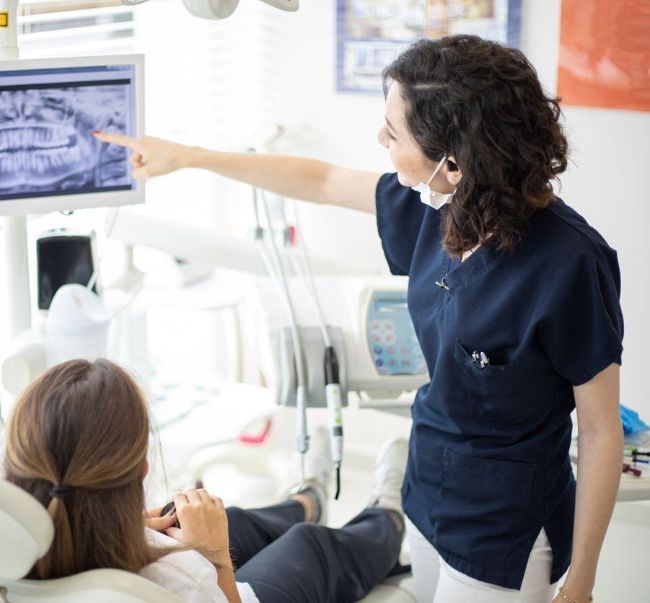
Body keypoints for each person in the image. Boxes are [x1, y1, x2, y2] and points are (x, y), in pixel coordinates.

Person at [95, 34, 625, 603]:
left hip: (507, 523)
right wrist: (191, 156)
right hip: (428, 487)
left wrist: (583, 580)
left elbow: (599, 430)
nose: (380, 139)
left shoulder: (570, 263)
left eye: (393, 133)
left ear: (454, 161)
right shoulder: (439, 210)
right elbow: (319, 180)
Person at [3, 358, 409, 603]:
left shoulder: (14, 544)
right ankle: (386, 518)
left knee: (234, 521)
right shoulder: (184, 576)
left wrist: (126, 525)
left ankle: (306, 499)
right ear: (142, 471)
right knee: (312, 547)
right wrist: (215, 557)